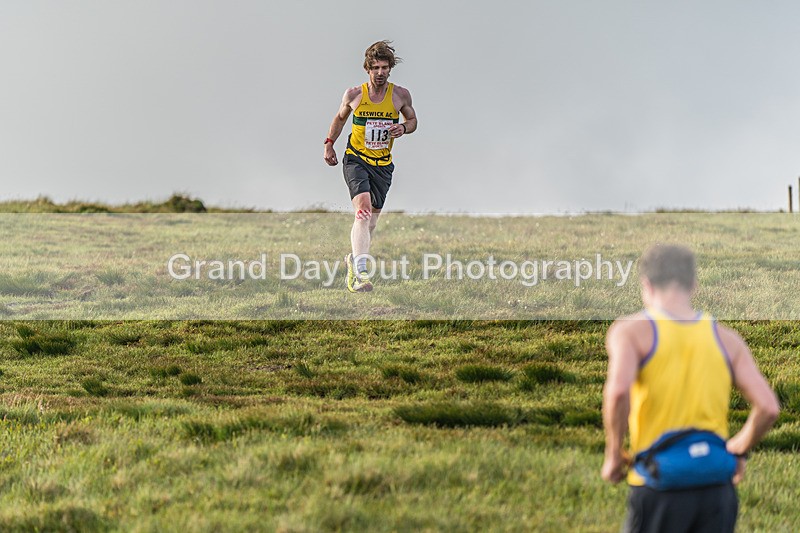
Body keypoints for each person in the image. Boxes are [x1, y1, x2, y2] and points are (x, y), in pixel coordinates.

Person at [601, 244, 780, 533]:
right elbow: (768, 407)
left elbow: (618, 392)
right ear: (693, 284)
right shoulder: (727, 339)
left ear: (646, 284)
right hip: (716, 489)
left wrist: (613, 453)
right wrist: (739, 450)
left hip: (660, 484)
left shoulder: (631, 331)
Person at [323, 41, 418, 292]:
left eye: (384, 67)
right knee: (362, 212)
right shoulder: (354, 95)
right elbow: (339, 118)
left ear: (390, 69)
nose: (380, 73)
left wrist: (403, 128)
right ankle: (361, 275)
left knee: (371, 222)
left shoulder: (400, 95)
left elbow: (413, 120)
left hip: (383, 166)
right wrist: (329, 144)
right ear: (367, 69)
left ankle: (354, 261)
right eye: (375, 67)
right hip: (356, 159)